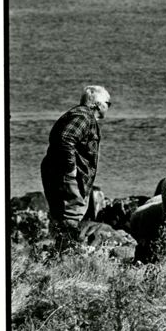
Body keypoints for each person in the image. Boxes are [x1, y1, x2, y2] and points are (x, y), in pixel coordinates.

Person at [40, 85, 111, 245]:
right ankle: (66, 255)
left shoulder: (76, 115)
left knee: (60, 217)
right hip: (69, 176)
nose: (108, 107)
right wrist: (71, 169)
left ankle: (58, 254)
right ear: (98, 104)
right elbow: (65, 139)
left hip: (57, 172)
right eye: (108, 103)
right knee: (71, 216)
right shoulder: (84, 117)